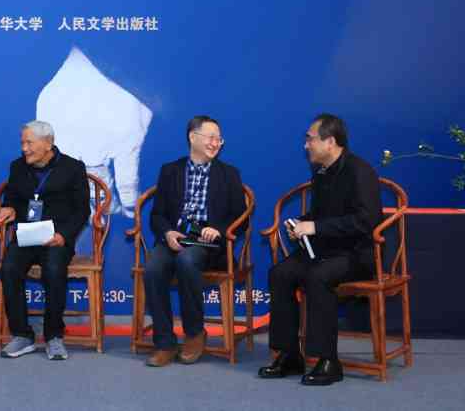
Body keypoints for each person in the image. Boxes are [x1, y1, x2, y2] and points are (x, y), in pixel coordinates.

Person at [259, 113, 383, 386]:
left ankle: (328, 360)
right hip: (324, 250)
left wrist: (315, 227)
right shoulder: (320, 172)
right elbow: (320, 215)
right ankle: (289, 355)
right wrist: (301, 224)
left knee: (317, 276)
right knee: (280, 273)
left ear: (330, 142)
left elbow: (367, 221)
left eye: (310, 139)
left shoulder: (360, 171)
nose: (306, 145)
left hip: (356, 254)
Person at [143, 115, 245, 367]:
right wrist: (168, 233)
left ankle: (194, 333)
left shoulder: (229, 174)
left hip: (207, 245)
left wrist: (217, 229)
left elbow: (241, 218)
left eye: (219, 139)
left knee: (187, 260)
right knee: (153, 267)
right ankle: (165, 343)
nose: (215, 143)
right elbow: (157, 215)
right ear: (192, 137)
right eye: (211, 137)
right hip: (175, 238)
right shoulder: (170, 171)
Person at [0, 120, 89, 360]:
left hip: (56, 238)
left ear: (48, 143)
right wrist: (8, 209)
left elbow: (82, 211)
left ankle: (53, 336)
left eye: (29, 143)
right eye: (22, 143)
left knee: (54, 269)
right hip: (26, 236)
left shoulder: (73, 168)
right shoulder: (18, 167)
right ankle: (22, 335)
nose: (24, 149)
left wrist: (63, 235)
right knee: (8, 268)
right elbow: (12, 199)